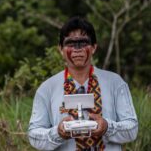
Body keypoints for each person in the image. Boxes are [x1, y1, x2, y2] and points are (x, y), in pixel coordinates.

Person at [28, 16, 138, 151]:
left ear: (94, 47)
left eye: (83, 43)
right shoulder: (47, 89)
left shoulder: (115, 83)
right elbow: (33, 135)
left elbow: (132, 129)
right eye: (70, 44)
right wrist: (58, 132)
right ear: (61, 49)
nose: (77, 49)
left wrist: (107, 127)